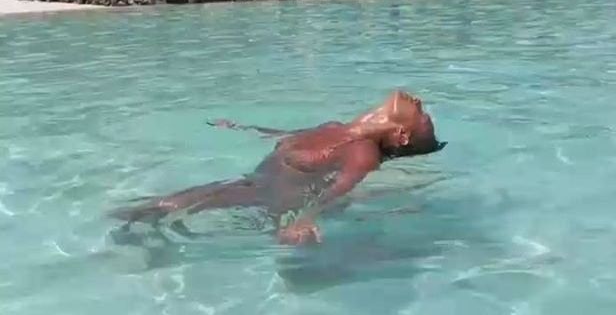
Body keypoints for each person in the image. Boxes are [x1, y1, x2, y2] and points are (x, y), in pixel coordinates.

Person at [110, 91, 446, 245]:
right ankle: (133, 239)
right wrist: (243, 128)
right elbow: (289, 136)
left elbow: (339, 189)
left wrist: (305, 219)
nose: (419, 102)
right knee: (152, 208)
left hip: (271, 198)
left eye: (423, 116)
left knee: (158, 207)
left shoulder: (363, 154)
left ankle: (131, 244)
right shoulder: (334, 127)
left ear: (402, 135)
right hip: (254, 182)